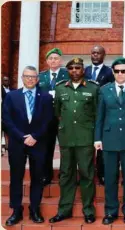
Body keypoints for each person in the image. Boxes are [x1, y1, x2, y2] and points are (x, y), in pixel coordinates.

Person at [49, 58, 99, 224]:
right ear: (68, 71)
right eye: (71, 68)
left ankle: (88, 211)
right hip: (67, 138)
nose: (75, 71)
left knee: (87, 174)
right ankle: (64, 210)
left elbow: (97, 114)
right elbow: (57, 113)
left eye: (78, 68)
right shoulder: (60, 87)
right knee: (66, 175)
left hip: (86, 138)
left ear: (83, 70)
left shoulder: (93, 88)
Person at [2, 66, 53, 226]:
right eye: (27, 76)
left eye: (33, 77)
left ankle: (34, 209)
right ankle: (16, 210)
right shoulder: (11, 96)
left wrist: (35, 136)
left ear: (37, 79)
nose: (30, 79)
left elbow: (48, 120)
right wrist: (22, 136)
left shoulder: (45, 97)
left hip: (38, 143)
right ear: (22, 78)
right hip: (18, 143)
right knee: (16, 177)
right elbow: (6, 120)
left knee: (37, 177)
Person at [94, 57, 125, 225]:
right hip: (109, 139)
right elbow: (99, 116)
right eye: (117, 71)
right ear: (113, 72)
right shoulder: (104, 90)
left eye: (123, 70)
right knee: (110, 177)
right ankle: (111, 211)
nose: (120, 74)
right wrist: (97, 138)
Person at [38, 48, 69, 185]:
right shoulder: (41, 76)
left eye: (56, 58)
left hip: (63, 116)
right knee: (46, 147)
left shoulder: (67, 75)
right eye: (50, 58)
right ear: (47, 61)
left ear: (61, 60)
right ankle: (46, 175)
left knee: (65, 147)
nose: (53, 61)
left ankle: (65, 175)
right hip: (46, 118)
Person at [84, 45, 115, 185]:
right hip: (87, 113)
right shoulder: (85, 71)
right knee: (87, 146)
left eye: (98, 53)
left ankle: (102, 174)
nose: (95, 55)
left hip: (103, 112)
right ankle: (87, 174)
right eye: (93, 53)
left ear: (104, 55)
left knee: (102, 146)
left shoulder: (109, 72)